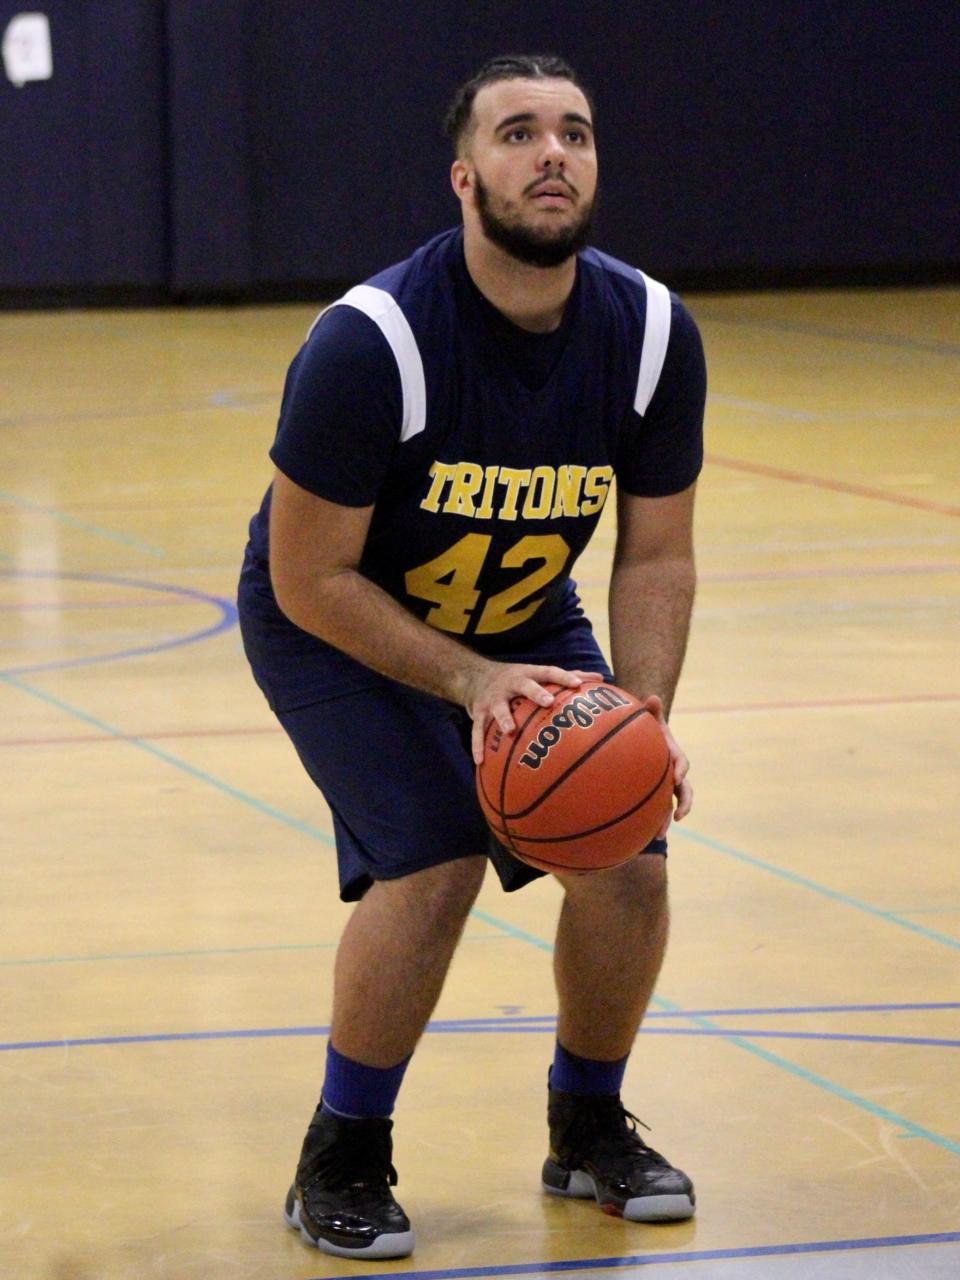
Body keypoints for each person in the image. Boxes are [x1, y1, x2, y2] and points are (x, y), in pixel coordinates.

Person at [238, 53, 706, 1261]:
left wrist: (643, 710)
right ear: (464, 176)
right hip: (346, 619)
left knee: (631, 854)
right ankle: (340, 1151)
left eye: (576, 133)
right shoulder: (373, 340)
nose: (552, 153)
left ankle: (587, 1122)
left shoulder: (652, 333)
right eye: (518, 134)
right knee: (437, 854)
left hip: (521, 609)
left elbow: (655, 558)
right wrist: (469, 680)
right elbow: (307, 577)